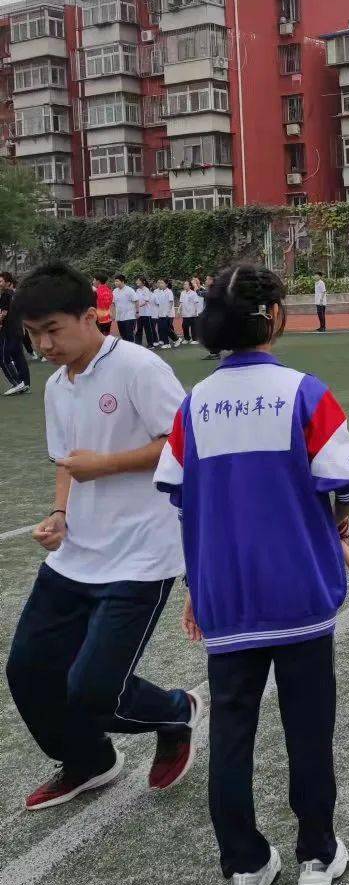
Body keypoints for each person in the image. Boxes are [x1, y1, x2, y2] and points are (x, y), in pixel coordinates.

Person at [155, 264, 349, 885]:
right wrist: (336, 524)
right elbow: (345, 479)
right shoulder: (304, 392)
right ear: (274, 314)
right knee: (308, 731)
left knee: (231, 732)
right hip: (297, 591)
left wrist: (200, 584)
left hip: (227, 595)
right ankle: (315, 855)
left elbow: (179, 496)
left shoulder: (193, 405)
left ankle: (245, 869)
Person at [4, 262, 199, 812]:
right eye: (33, 334)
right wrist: (59, 513)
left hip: (142, 553)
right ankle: (90, 760)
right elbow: (67, 461)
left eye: (53, 330)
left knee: (94, 688)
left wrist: (108, 464)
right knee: (29, 671)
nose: (43, 344)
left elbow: (183, 443)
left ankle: (177, 711)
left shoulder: (139, 367)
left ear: (91, 317)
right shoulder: (57, 387)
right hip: (76, 553)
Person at [0, 271, 31, 395]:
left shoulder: (6, 295)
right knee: (18, 356)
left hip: (10, 330)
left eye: (1, 281)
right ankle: (24, 383)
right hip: (16, 329)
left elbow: (3, 314)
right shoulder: (13, 294)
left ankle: (20, 383)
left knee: (7, 356)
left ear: (8, 282)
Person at [152, 277, 178, 349]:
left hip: (166, 314)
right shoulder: (159, 291)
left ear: (166, 284)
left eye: (162, 283)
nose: (160, 284)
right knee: (163, 328)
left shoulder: (169, 291)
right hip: (160, 313)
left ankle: (170, 342)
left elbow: (171, 302)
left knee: (165, 328)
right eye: (160, 283)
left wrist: (167, 312)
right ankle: (173, 340)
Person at [113, 273, 138, 342]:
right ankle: (126, 350)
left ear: (122, 281)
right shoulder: (115, 291)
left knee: (129, 335)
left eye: (117, 281)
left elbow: (136, 300)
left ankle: (132, 350)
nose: (115, 283)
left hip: (129, 317)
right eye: (115, 281)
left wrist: (137, 312)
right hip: (120, 317)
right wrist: (113, 314)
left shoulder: (129, 290)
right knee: (123, 335)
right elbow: (114, 303)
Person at [134, 276, 155, 347]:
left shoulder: (146, 290)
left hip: (146, 313)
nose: (137, 282)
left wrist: (138, 306)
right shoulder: (137, 290)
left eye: (138, 281)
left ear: (143, 282)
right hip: (140, 314)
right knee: (139, 329)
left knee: (148, 330)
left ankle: (151, 344)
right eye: (137, 281)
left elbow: (146, 301)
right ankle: (138, 344)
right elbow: (136, 300)